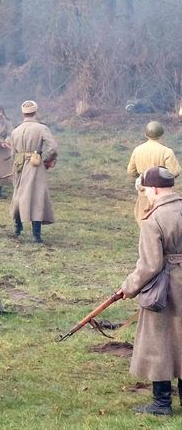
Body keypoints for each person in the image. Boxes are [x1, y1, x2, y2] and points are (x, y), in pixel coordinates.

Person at [120, 167, 182, 416]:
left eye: (145, 189)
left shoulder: (152, 219)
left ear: (154, 188)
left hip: (165, 289)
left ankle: (161, 403)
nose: (145, 194)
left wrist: (129, 287)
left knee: (160, 341)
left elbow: (150, 265)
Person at [10, 100, 58, 243]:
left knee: (19, 196)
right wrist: (44, 158)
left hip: (18, 165)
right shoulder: (41, 128)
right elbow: (53, 147)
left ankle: (18, 228)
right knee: (36, 197)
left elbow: (13, 153)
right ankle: (36, 235)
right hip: (34, 165)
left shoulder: (15, 131)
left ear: (23, 113)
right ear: (35, 112)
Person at [127, 121, 180, 225]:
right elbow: (175, 172)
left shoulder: (138, 150)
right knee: (164, 226)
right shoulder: (166, 151)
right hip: (162, 196)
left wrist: (143, 177)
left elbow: (131, 171)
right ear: (161, 135)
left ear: (146, 135)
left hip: (144, 193)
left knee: (144, 224)